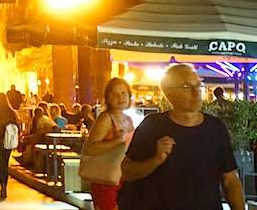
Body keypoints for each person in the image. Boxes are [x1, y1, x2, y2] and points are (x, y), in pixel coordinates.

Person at [119, 64, 244, 210]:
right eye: (186, 87)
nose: (196, 92)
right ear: (169, 93)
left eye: (198, 86)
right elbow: (127, 172)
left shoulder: (215, 128)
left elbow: (230, 179)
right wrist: (155, 160)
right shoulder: (153, 126)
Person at [81, 77, 135, 210]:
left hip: (123, 177)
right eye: (115, 94)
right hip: (106, 180)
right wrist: (117, 141)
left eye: (123, 93)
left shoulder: (127, 119)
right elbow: (90, 148)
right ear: (108, 98)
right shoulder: (105, 119)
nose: (120, 98)